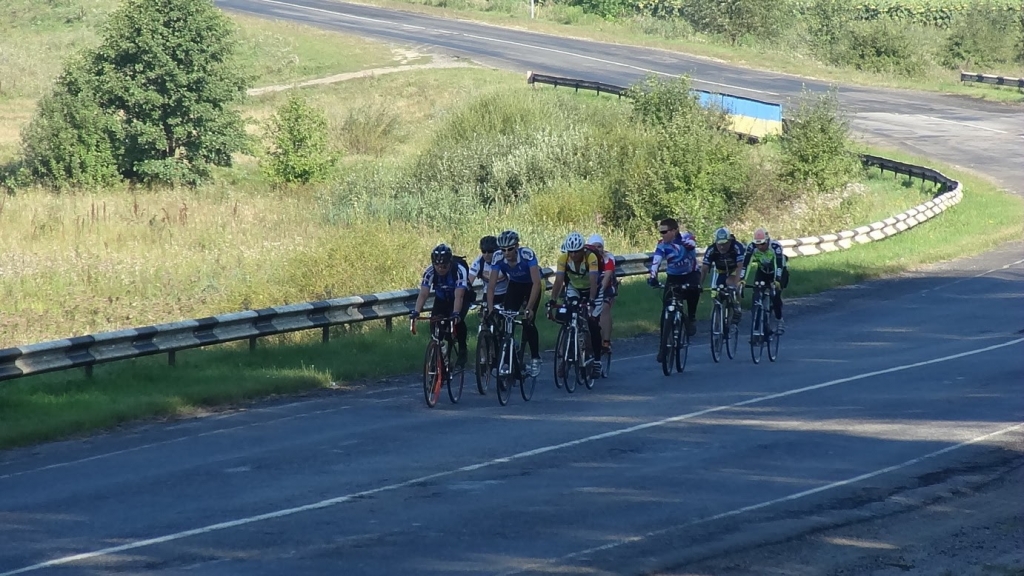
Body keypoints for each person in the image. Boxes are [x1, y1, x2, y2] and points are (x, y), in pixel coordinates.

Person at [487, 230, 543, 377]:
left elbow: (537, 283)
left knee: (528, 321)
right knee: (507, 318)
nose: (506, 253)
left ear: (517, 246)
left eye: (510, 249)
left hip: (532, 286)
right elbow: (491, 286)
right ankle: (508, 355)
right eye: (503, 250)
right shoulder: (497, 257)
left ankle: (535, 357)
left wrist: (529, 308)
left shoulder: (527, 255)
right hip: (515, 285)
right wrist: (490, 308)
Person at [547, 231, 603, 375]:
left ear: (582, 249)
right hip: (575, 288)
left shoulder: (590, 257)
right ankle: (566, 357)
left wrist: (591, 301)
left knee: (592, 323)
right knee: (568, 316)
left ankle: (597, 360)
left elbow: (593, 280)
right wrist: (553, 299)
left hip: (593, 288)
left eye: (576, 251)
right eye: (570, 252)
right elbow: (559, 281)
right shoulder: (563, 258)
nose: (573, 255)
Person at [410, 244, 473, 368]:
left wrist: (456, 314)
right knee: (435, 324)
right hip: (442, 299)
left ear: (450, 263)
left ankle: (462, 349)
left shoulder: (459, 270)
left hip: (460, 297)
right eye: (437, 265)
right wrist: (416, 312)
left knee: (458, 321)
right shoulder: (430, 272)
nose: (440, 269)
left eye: (444, 266)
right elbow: (423, 294)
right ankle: (437, 354)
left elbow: (459, 296)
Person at [647, 218, 701, 362]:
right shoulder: (662, 245)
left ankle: (691, 318)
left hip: (690, 274)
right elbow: (656, 261)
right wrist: (653, 277)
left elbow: (691, 245)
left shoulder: (686, 238)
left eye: (664, 232)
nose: (662, 235)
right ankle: (662, 347)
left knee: (694, 290)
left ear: (674, 230)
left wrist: (678, 241)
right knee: (665, 309)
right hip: (674, 277)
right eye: (660, 232)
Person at [742, 227, 789, 333]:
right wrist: (742, 280)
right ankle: (757, 320)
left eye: (762, 244)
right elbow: (746, 264)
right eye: (757, 244)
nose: (760, 247)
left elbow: (778, 265)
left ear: (767, 240)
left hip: (779, 271)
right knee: (757, 291)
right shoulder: (751, 247)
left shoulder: (775, 247)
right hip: (763, 271)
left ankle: (779, 320)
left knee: (775, 294)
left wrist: (777, 280)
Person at [699, 226, 746, 323]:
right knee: (715, 293)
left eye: (724, 244)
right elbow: (704, 269)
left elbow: (740, 266)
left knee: (731, 284)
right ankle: (717, 317)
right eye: (719, 244)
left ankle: (737, 307)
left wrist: (737, 283)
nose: (721, 247)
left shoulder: (737, 246)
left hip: (735, 270)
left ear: (729, 241)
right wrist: (699, 285)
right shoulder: (711, 249)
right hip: (720, 271)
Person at [586, 233, 617, 357]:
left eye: (599, 246)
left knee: (604, 308)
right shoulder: (586, 258)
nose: (597, 249)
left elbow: (607, 277)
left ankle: (606, 342)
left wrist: (597, 295)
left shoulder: (608, 258)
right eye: (594, 246)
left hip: (607, 288)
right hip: (589, 288)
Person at [468, 235, 507, 308]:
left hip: (505, 294)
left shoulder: (504, 261)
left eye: (490, 251)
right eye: (483, 251)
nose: (486, 255)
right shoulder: (479, 262)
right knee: (486, 314)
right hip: (487, 294)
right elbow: (468, 282)